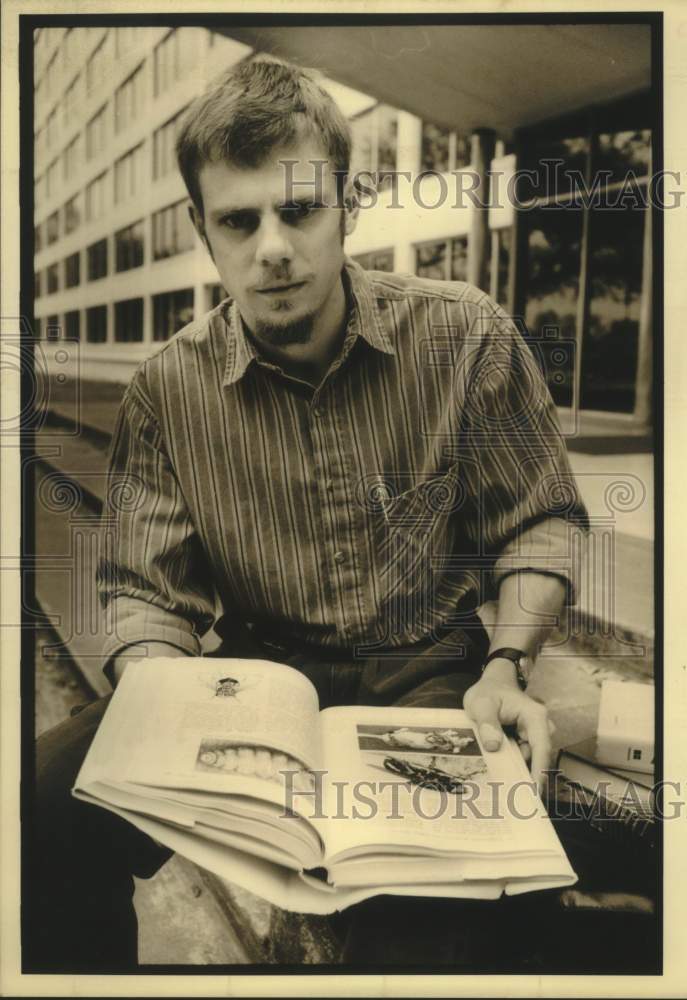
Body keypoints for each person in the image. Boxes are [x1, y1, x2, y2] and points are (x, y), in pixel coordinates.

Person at [29, 57, 588, 971]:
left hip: (431, 672)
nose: (274, 248)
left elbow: (541, 518)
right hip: (252, 675)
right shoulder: (168, 388)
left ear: (349, 203)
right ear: (203, 231)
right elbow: (144, 591)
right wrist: (166, 695)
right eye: (239, 221)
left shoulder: (467, 334)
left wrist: (508, 665)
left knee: (438, 913)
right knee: (40, 813)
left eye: (298, 210)